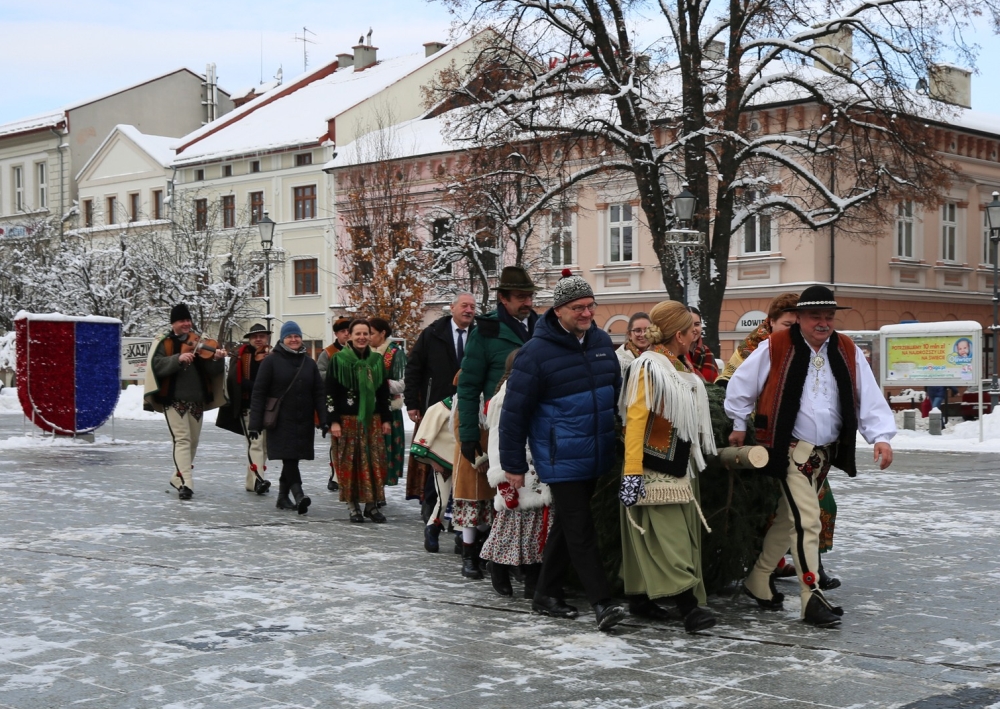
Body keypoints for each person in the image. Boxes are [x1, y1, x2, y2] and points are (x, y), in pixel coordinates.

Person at [725, 285, 896, 627]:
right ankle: (811, 596)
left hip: (823, 454)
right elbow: (741, 386)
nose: (823, 323)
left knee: (789, 519)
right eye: (815, 316)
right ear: (800, 317)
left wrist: (881, 436)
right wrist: (738, 422)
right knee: (808, 520)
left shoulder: (847, 349)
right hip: (787, 448)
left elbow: (868, 396)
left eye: (829, 316)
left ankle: (758, 579)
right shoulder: (774, 346)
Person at [499, 272, 626, 631]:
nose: (586, 313)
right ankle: (603, 603)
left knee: (568, 526)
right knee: (580, 526)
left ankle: (545, 593)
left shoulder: (602, 342)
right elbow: (514, 414)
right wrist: (512, 464)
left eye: (590, 306)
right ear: (558, 311)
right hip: (559, 456)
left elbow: (612, 393)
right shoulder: (535, 353)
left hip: (596, 450)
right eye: (577, 308)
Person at [619, 300, 718, 632]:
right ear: (679, 333)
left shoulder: (678, 364)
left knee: (674, 534)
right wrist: (632, 470)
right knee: (669, 536)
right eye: (693, 329)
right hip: (652, 467)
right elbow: (635, 419)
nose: (696, 334)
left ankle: (640, 600)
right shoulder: (649, 366)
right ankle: (689, 607)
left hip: (678, 465)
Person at [455, 267, 540, 577]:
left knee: (528, 496)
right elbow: (467, 387)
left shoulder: (542, 327)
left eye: (530, 295)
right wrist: (467, 435)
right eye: (520, 297)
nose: (527, 302)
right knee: (489, 492)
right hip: (494, 425)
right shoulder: (486, 331)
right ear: (503, 298)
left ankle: (521, 557)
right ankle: (477, 553)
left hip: (536, 426)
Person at [482, 350, 552, 599]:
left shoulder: (538, 388)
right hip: (518, 471)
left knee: (540, 527)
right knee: (512, 526)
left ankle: (534, 579)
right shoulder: (504, 397)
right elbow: (497, 438)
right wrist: (503, 474)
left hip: (540, 468)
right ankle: (498, 566)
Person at [143, 303, 227, 500]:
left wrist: (217, 359)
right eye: (182, 320)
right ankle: (187, 483)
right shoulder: (163, 342)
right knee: (182, 440)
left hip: (197, 400)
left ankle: (177, 477)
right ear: (174, 323)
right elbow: (156, 366)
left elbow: (212, 372)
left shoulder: (201, 341)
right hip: (173, 399)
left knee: (193, 442)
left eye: (188, 320)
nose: (187, 324)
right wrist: (178, 358)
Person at [404, 293, 477, 515]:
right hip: (437, 407)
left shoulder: (479, 335)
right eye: (464, 305)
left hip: (469, 406)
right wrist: (411, 403)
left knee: (464, 456)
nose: (469, 310)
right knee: (437, 457)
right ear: (452, 307)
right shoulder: (432, 334)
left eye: (473, 307)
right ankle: (431, 503)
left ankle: (459, 506)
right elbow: (414, 369)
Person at [248, 321, 325, 514]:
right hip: (280, 420)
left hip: (304, 418)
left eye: (297, 336)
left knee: (293, 458)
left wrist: (324, 418)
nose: (294, 339)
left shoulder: (309, 362)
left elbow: (319, 393)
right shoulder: (271, 361)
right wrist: (255, 423)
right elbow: (259, 393)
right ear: (282, 339)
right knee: (289, 458)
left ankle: (283, 497)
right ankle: (298, 494)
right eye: (289, 336)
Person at [327, 319, 392, 523]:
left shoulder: (377, 361)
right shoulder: (339, 360)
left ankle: (372, 506)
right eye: (358, 334)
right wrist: (334, 421)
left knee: (374, 463)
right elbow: (330, 394)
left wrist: (386, 419)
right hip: (347, 422)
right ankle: (353, 506)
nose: (362, 337)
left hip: (371, 421)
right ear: (350, 336)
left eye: (366, 333)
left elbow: (383, 393)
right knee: (350, 464)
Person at [226, 323, 273, 494]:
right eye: (255, 336)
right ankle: (259, 480)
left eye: (262, 336)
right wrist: (256, 387)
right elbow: (234, 381)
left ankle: (251, 482)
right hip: (248, 406)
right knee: (255, 444)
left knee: (265, 446)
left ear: (267, 338)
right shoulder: (241, 356)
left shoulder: (273, 355)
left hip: (268, 408)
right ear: (250, 339)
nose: (258, 339)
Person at [717, 293, 799, 385]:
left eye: (798, 325)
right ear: (772, 321)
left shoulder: (808, 345)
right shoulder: (752, 345)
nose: (793, 330)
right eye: (787, 325)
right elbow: (728, 379)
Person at [369, 317, 407, 489]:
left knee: (385, 450)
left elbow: (403, 383)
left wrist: (379, 383)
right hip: (368, 409)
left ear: (383, 333)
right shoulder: (364, 351)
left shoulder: (395, 353)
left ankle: (381, 486)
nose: (368, 337)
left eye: (372, 333)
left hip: (389, 409)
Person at [317, 317, 352, 492]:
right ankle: (336, 476)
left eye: (348, 331)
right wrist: (337, 376)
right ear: (336, 334)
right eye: (343, 331)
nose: (346, 334)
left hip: (355, 402)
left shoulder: (360, 350)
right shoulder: (328, 352)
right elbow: (320, 373)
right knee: (336, 441)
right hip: (335, 401)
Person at [686, 306, 718, 383]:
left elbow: (715, 384)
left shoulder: (707, 353)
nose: (694, 329)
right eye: (688, 324)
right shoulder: (674, 352)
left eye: (697, 324)